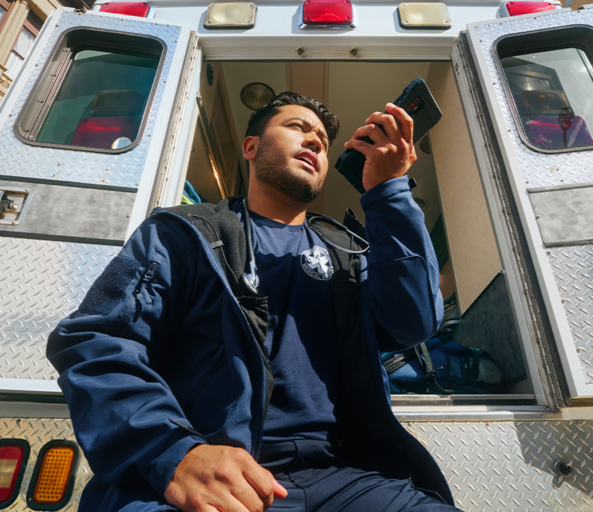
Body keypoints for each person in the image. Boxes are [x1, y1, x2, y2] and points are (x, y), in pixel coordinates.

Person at [46, 91, 460, 512]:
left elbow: (414, 323)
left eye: (322, 138)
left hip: (348, 478)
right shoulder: (187, 234)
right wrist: (173, 452)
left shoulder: (349, 252)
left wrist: (389, 192)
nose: (315, 141)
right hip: (216, 474)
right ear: (251, 146)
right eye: (297, 127)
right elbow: (99, 341)